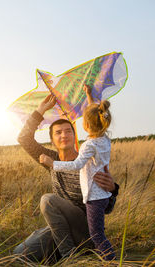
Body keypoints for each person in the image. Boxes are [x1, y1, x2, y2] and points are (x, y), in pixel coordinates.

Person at [13, 92, 119, 263]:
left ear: (74, 135)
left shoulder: (88, 161)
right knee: (19, 256)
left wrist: (113, 190)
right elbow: (24, 138)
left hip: (86, 231)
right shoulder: (51, 159)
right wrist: (41, 109)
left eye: (68, 131)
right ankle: (63, 254)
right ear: (52, 140)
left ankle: (71, 259)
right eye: (58, 133)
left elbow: (107, 208)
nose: (64, 135)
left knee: (48, 200)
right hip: (61, 229)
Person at [40, 85, 115, 260]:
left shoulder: (89, 145)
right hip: (102, 196)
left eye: (68, 131)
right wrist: (89, 96)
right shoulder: (104, 139)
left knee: (97, 234)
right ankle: (94, 251)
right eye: (58, 133)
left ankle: (109, 260)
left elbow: (77, 164)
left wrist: (53, 163)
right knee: (97, 230)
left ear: (86, 125)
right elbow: (95, 113)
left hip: (94, 197)